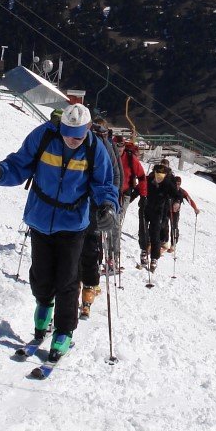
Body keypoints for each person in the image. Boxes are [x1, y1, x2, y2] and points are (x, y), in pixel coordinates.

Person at [0, 103, 117, 363]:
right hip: (40, 218)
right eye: (67, 133)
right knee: (41, 275)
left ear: (87, 129)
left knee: (67, 279)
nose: (72, 140)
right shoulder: (44, 136)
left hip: (74, 223)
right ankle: (44, 308)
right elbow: (19, 165)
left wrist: (108, 207)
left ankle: (64, 331)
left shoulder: (94, 148)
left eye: (78, 135)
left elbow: (104, 184)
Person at [78, 117, 122, 316]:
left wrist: (109, 202)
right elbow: (117, 175)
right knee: (88, 241)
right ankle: (86, 283)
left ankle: (88, 281)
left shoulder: (102, 146)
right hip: (87, 201)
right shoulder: (98, 144)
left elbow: (114, 175)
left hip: (95, 202)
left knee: (90, 241)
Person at [137, 162, 180, 271]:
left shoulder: (168, 183)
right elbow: (137, 190)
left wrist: (177, 202)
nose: (159, 179)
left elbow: (177, 194)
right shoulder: (148, 179)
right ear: (154, 173)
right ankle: (144, 250)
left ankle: (154, 258)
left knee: (155, 234)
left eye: (161, 177)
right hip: (145, 209)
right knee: (143, 231)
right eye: (157, 177)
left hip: (158, 212)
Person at [114, 136, 147, 268]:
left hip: (125, 194)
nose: (119, 149)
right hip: (110, 193)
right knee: (109, 223)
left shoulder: (130, 158)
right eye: (117, 146)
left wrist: (143, 196)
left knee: (116, 223)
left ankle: (114, 257)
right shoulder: (109, 155)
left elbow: (142, 177)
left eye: (121, 146)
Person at [165, 175, 199, 254]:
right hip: (166, 210)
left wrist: (195, 208)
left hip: (175, 213)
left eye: (179, 184)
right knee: (164, 226)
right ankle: (164, 242)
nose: (177, 185)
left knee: (174, 228)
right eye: (176, 183)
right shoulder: (169, 190)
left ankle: (173, 245)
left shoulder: (182, 191)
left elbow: (189, 200)